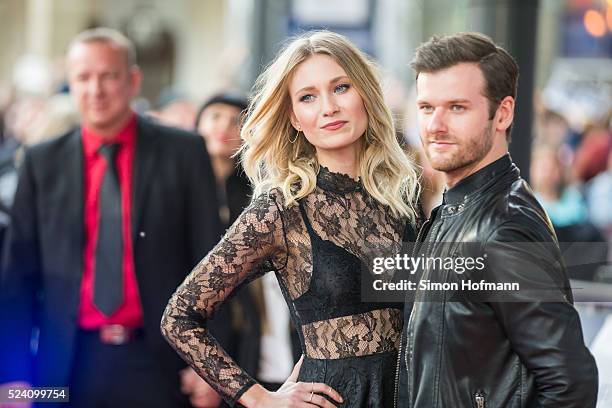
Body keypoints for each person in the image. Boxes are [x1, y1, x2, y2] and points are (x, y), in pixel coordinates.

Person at [161, 30, 421, 408]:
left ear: (365, 93)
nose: (328, 107)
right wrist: (260, 398)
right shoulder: (282, 208)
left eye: (342, 87)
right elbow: (179, 316)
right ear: (295, 118)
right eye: (308, 97)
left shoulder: (399, 197)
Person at [0, 28, 222, 407]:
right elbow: (18, 276)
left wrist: (212, 366)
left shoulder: (183, 151)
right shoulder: (41, 162)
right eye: (83, 78)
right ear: (70, 84)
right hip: (62, 368)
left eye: (109, 76)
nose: (95, 90)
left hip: (162, 363)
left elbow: (213, 262)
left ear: (133, 80)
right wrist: (13, 377)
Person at [398, 32, 598, 407]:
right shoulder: (457, 209)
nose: (435, 125)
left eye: (457, 107)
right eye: (426, 107)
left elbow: (570, 384)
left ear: (503, 113)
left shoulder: (505, 228)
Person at [183, 91, 300, 407]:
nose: (224, 126)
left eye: (236, 120)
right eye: (214, 116)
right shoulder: (179, 193)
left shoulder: (254, 197)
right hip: (195, 334)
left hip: (251, 339)